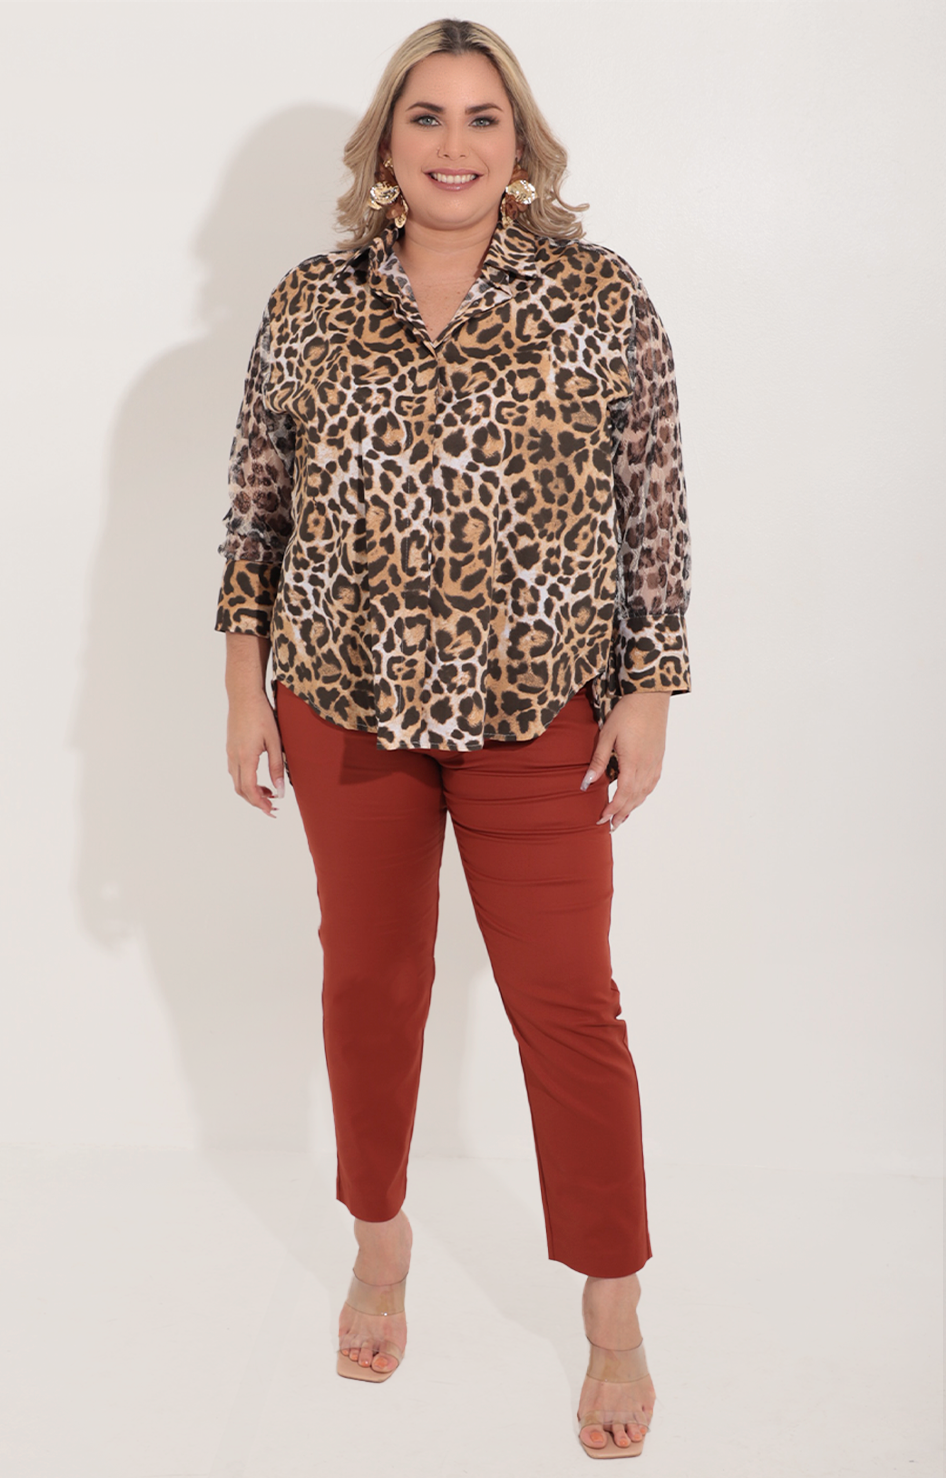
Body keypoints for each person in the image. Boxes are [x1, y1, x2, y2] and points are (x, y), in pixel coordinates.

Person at [216, 17, 691, 1461]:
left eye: (484, 118)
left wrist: (648, 684)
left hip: (536, 709)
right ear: (385, 143)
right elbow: (257, 504)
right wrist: (243, 685)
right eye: (426, 116)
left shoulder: (598, 296)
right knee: (369, 984)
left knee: (568, 1003)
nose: (454, 144)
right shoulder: (312, 301)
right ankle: (379, 1244)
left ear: (520, 145)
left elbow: (652, 502)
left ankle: (613, 1308)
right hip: (342, 698)